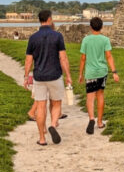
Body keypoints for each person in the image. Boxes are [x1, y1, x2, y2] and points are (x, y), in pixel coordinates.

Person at [23, 9, 72, 145]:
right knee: (56, 103)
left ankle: (42, 138)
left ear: (40, 20)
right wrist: (68, 75)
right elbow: (63, 58)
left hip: (39, 76)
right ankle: (53, 123)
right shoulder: (57, 36)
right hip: (55, 75)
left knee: (41, 106)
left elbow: (28, 60)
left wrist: (26, 77)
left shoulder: (33, 38)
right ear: (50, 19)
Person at [78, 17, 119, 134]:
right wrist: (114, 72)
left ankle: (91, 118)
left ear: (91, 27)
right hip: (102, 72)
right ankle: (100, 122)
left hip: (90, 73)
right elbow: (109, 56)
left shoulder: (86, 40)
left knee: (90, 97)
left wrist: (81, 73)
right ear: (101, 27)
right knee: (100, 95)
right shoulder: (105, 40)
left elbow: (83, 58)